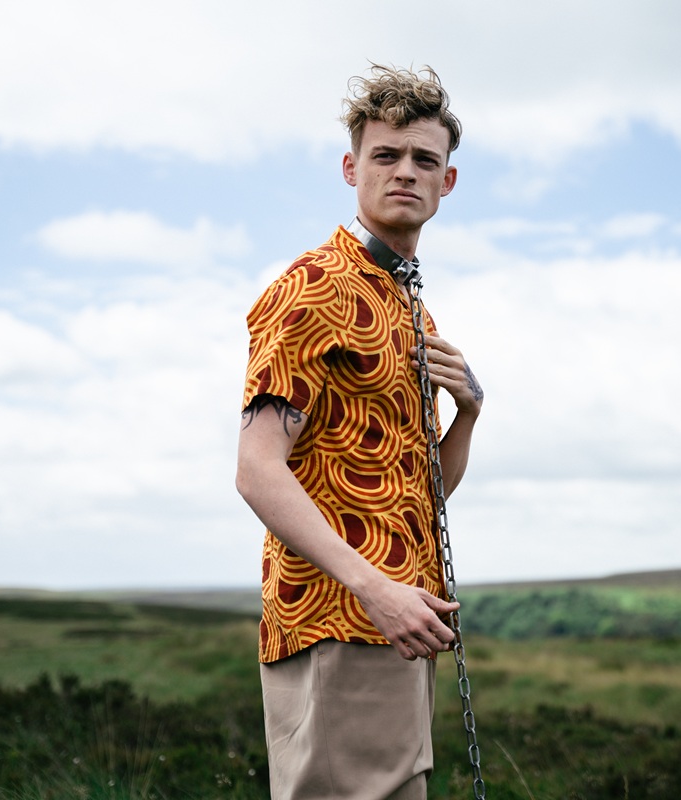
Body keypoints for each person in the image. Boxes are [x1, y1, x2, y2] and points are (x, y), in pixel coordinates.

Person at [235, 65, 483, 799]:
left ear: (449, 181)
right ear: (352, 168)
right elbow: (256, 468)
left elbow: (424, 492)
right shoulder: (316, 285)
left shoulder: (410, 309)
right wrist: (375, 590)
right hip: (339, 618)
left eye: (424, 160)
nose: (406, 172)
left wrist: (468, 411)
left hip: (403, 618)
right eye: (386, 156)